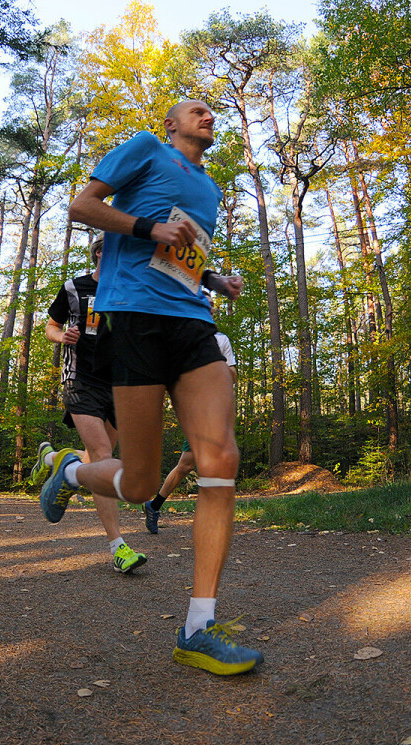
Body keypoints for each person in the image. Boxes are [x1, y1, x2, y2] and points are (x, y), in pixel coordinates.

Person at [39, 100, 262, 675]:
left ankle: (198, 627)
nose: (209, 116)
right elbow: (81, 205)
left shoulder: (209, 188)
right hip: (133, 317)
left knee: (219, 459)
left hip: (193, 321)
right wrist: (145, 224)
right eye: (198, 110)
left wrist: (215, 277)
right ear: (171, 123)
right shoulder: (145, 148)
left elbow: (180, 255)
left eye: (214, 112)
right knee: (137, 483)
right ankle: (69, 472)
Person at [34, 237, 147, 574]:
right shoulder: (74, 287)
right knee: (102, 456)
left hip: (119, 384)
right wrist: (61, 336)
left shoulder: (132, 291)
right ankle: (119, 547)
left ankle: (55, 461)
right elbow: (50, 326)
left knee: (97, 461)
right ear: (100, 253)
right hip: (80, 378)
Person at [145, 298, 238, 532]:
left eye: (210, 308)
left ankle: (156, 505)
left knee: (201, 463)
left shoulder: (221, 340)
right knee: (196, 463)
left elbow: (233, 374)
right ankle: (160, 507)